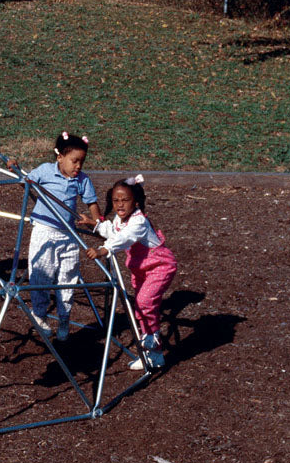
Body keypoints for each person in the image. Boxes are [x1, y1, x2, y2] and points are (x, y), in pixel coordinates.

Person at [79, 175, 177, 370]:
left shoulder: (138, 222)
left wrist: (103, 250)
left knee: (144, 303)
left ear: (136, 202)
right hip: (141, 269)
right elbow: (113, 230)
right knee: (141, 308)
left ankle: (151, 344)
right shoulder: (120, 219)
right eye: (116, 200)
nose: (120, 204)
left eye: (125, 200)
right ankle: (154, 354)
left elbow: (124, 238)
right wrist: (93, 224)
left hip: (159, 267)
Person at [24, 131, 102, 341]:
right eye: (74, 161)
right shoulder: (45, 171)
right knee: (41, 274)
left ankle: (64, 317)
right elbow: (26, 182)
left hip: (68, 234)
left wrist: (97, 223)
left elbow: (92, 202)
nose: (78, 166)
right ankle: (39, 315)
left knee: (68, 277)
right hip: (44, 231)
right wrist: (15, 169)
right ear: (60, 157)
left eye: (82, 162)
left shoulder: (81, 179)